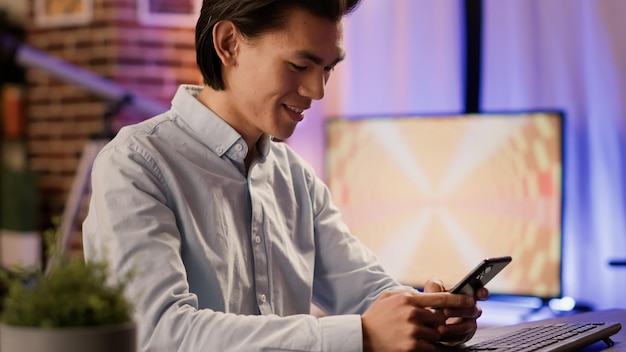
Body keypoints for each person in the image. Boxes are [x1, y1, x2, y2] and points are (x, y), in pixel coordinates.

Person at [83, 0, 488, 351]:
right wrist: (361, 337)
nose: (317, 90)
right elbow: (160, 335)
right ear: (229, 44)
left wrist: (429, 318)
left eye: (327, 68)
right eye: (300, 64)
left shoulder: (296, 178)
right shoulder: (135, 165)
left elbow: (367, 292)